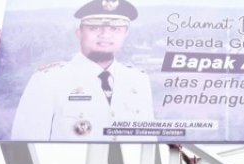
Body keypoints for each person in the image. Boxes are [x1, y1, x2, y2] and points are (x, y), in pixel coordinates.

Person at [11, 0, 153, 141]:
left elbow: (148, 140)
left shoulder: (138, 80)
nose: (105, 34)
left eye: (115, 29)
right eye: (95, 28)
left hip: (127, 163)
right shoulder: (48, 80)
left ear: (125, 34)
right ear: (79, 33)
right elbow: (24, 141)